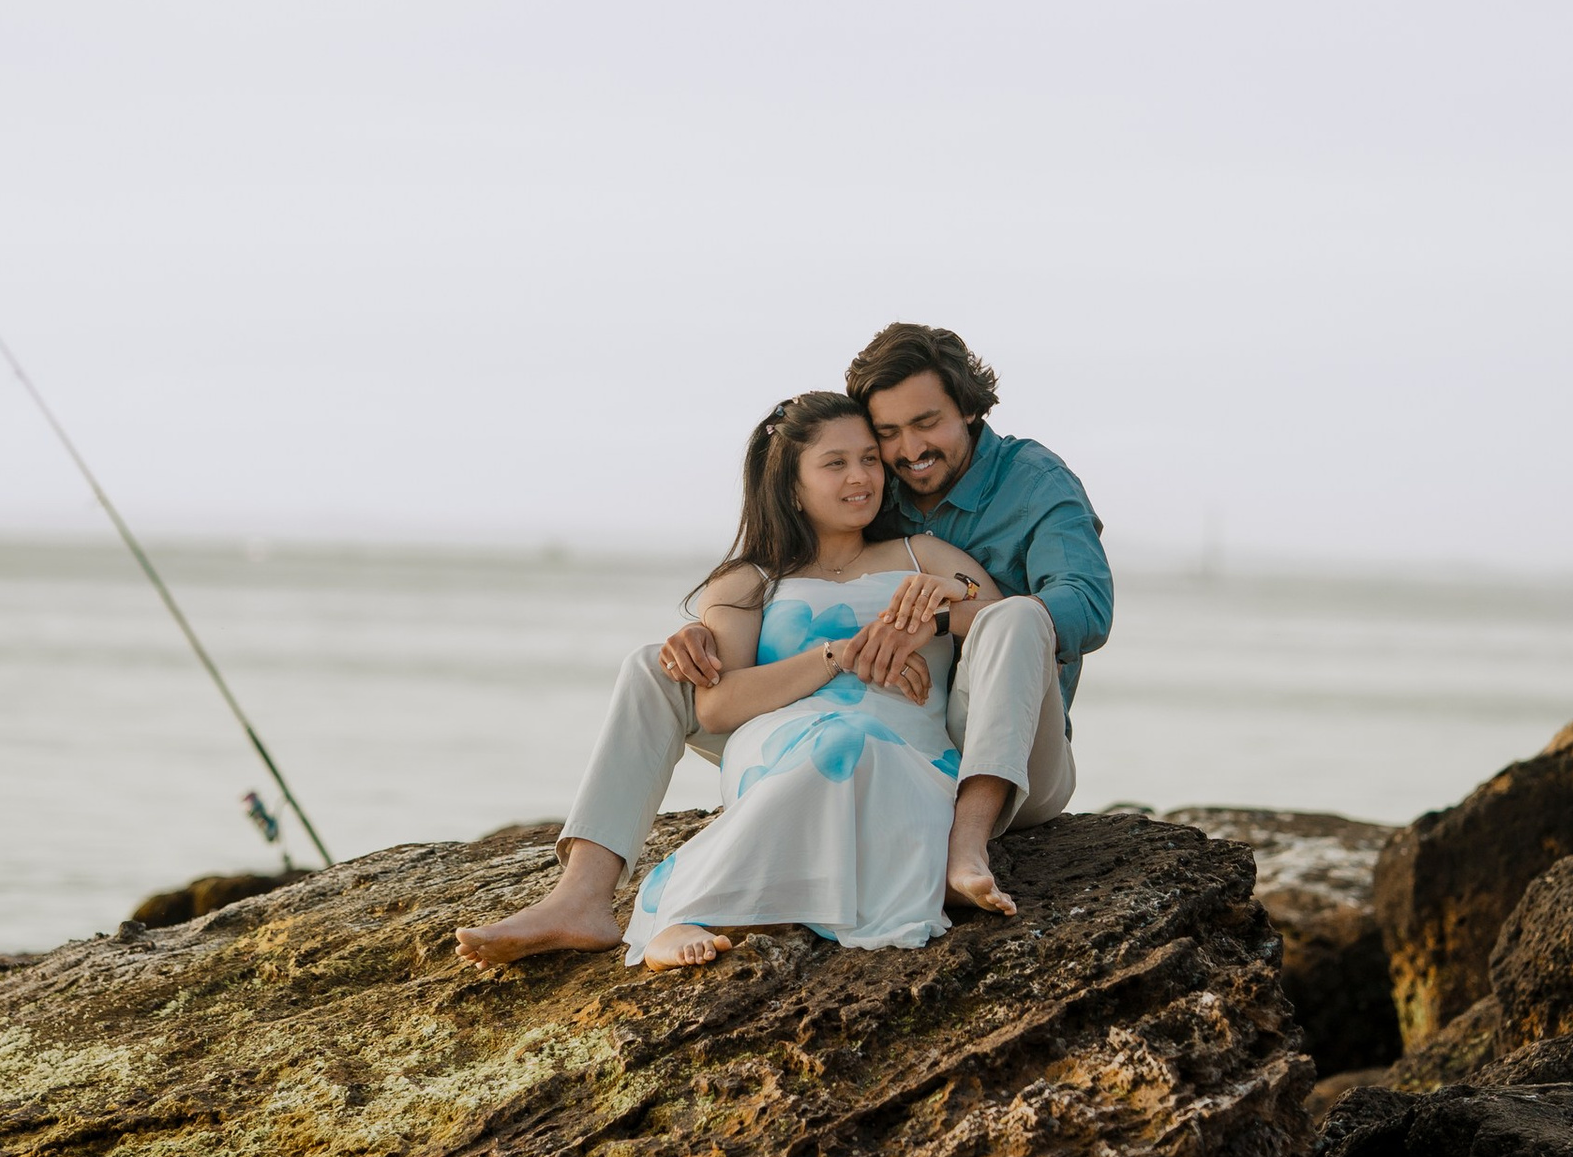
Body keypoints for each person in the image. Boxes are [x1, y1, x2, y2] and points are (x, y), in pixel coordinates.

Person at [454, 322, 1112, 965]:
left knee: (1012, 621)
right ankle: (581, 896)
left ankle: (962, 849)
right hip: (818, 717)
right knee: (656, 668)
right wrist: (709, 635)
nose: (900, 455)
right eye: (884, 436)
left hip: (981, 735)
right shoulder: (835, 520)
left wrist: (943, 613)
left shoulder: (1022, 489)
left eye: (926, 423)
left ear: (970, 410)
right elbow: (776, 610)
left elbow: (1081, 608)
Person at [616, 391, 995, 968]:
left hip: (914, 758)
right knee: (839, 738)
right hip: (780, 750)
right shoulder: (750, 581)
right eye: (835, 463)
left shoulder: (924, 556)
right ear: (792, 486)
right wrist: (839, 655)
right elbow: (718, 708)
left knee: (856, 740)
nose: (861, 477)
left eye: (870, 459)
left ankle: (757, 897)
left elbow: (1009, 626)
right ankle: (681, 912)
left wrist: (950, 603)